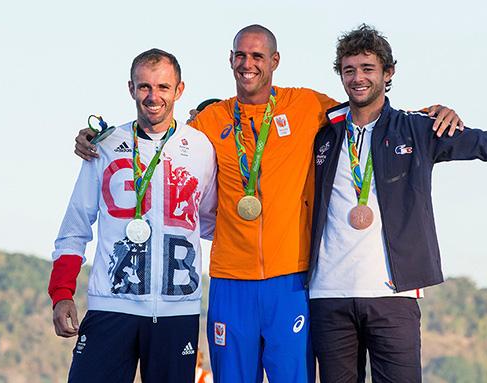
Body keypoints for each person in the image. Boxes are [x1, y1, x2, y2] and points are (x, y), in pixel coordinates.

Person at [73, 25, 462, 383]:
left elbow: (369, 109)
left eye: (258, 56)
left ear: (274, 61)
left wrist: (427, 115)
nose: (248, 64)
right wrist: (97, 137)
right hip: (230, 282)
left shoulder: (309, 107)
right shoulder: (209, 121)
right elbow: (157, 138)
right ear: (230, 61)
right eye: (240, 56)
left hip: (290, 280)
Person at [308, 24, 487, 383]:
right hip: (327, 294)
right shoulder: (321, 130)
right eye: (349, 69)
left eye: (368, 69)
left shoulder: (419, 130)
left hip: (393, 294)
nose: (358, 78)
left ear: (388, 73)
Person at [49, 48, 217, 383]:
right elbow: (76, 225)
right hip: (112, 305)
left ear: (179, 90)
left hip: (176, 310)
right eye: (144, 87)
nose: (153, 97)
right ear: (131, 88)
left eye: (163, 87)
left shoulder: (201, 147)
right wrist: (62, 292)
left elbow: (211, 222)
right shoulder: (105, 144)